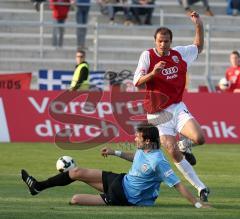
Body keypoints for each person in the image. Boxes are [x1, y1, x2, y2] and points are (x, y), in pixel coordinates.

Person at [21, 124, 210, 208]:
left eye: (138, 137)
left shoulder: (158, 161)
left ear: (148, 141)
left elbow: (178, 185)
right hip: (121, 180)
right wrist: (115, 152)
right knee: (76, 171)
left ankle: (103, 197)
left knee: (75, 199)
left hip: (123, 196)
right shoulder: (145, 151)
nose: (134, 138)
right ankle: (38, 186)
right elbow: (135, 158)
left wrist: (198, 204)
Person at [133, 11, 210, 201]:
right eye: (160, 41)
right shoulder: (147, 56)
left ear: (170, 42)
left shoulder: (179, 54)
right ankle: (201, 188)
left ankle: (185, 144)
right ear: (155, 41)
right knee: (172, 151)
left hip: (176, 107)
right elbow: (137, 82)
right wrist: (153, 73)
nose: (163, 44)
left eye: (166, 41)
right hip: (157, 114)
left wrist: (198, 24)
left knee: (199, 138)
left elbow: (198, 47)